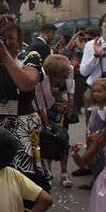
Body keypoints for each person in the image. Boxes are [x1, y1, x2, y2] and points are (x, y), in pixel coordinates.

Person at [0, 15, 51, 212]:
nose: (7, 42)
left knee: (19, 182)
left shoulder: (30, 56)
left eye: (11, 37)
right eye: (2, 37)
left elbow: (27, 84)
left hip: (21, 124)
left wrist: (6, 57)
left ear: (19, 37)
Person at [35, 54, 75, 187]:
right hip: (44, 111)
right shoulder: (40, 80)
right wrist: (46, 124)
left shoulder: (68, 70)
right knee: (47, 140)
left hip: (61, 107)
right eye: (62, 76)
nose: (66, 76)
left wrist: (69, 108)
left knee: (63, 139)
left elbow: (71, 91)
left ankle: (64, 172)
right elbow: (40, 105)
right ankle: (48, 170)